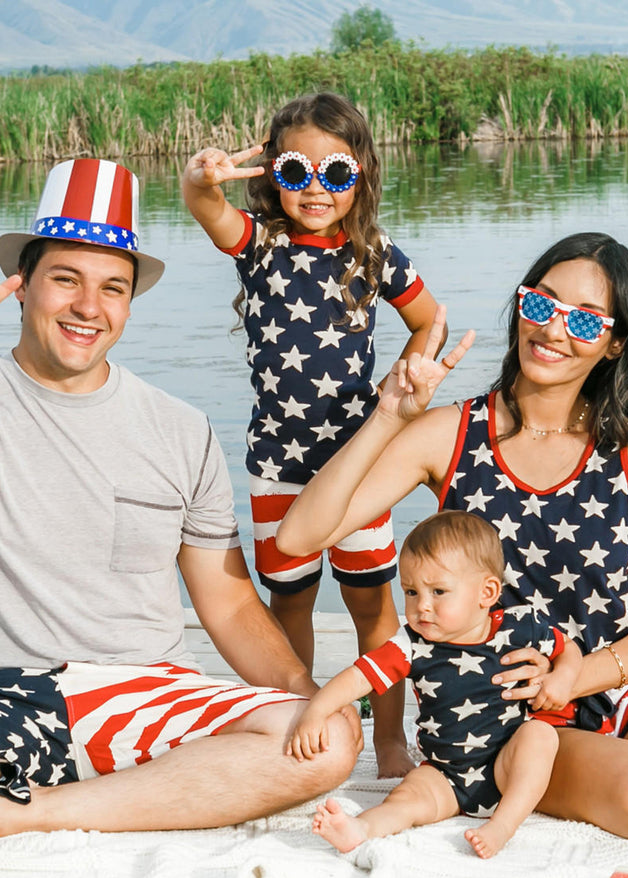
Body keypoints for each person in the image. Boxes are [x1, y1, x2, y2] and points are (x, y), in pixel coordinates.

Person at [0, 158, 361, 878]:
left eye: (113, 288)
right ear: (21, 286)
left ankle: (17, 815)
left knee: (329, 740)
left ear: (132, 301)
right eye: (65, 280)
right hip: (3, 685)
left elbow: (229, 597)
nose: (89, 307)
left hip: (146, 690)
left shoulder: (177, 428)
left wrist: (304, 695)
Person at [278, 231, 628, 841]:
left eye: (585, 320)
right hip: (504, 704)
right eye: (542, 304)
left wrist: (576, 677)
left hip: (624, 673)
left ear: (615, 344)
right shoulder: (451, 433)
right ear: (521, 305)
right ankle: (518, 778)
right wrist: (390, 416)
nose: (554, 330)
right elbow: (300, 536)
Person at [182, 92, 443, 778]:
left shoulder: (375, 254)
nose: (317, 190)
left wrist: (406, 379)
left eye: (337, 173)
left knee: (371, 607)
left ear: (361, 174)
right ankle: (290, 723)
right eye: (297, 172)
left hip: (357, 467)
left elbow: (430, 320)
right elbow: (207, 209)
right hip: (278, 464)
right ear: (272, 173)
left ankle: (389, 740)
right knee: (286, 602)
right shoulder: (260, 244)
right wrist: (200, 179)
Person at [288, 511, 582, 858]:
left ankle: (504, 823)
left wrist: (562, 676)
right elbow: (359, 676)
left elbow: (570, 649)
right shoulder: (412, 645)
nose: (421, 606)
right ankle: (361, 828)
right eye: (411, 592)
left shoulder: (520, 627)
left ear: (486, 592)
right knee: (407, 796)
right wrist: (317, 711)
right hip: (446, 775)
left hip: (506, 764)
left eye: (438, 591)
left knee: (539, 737)